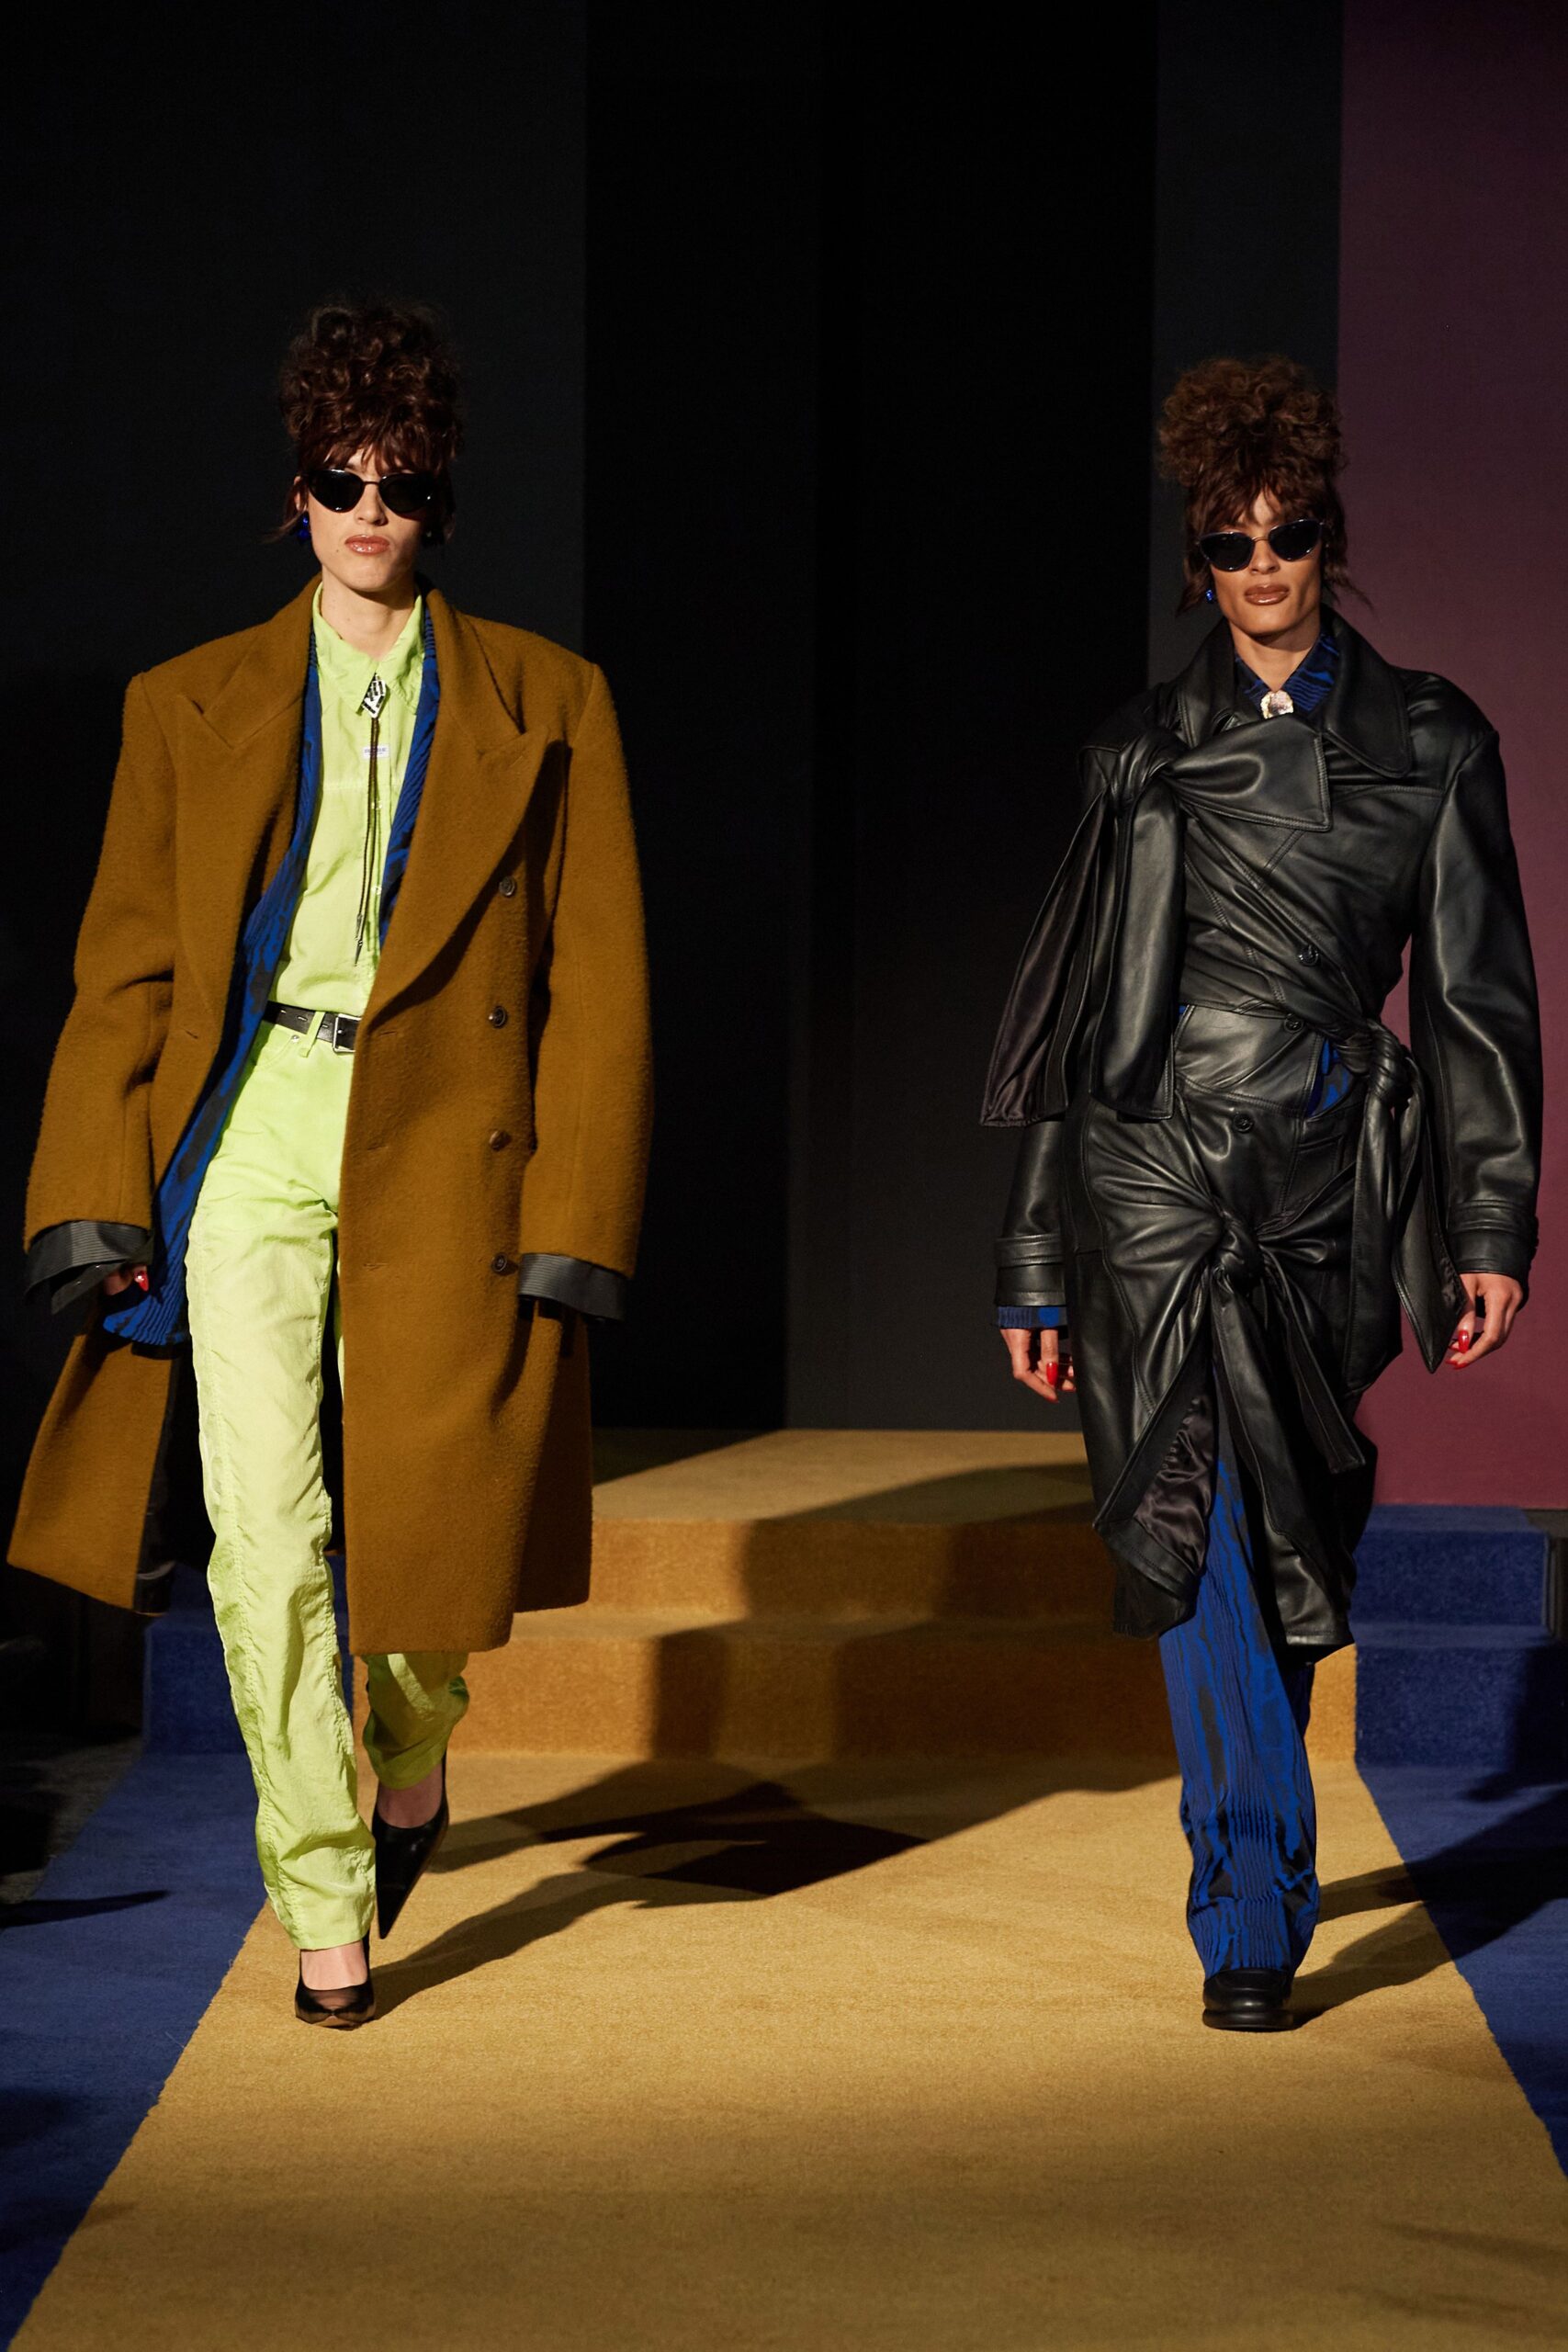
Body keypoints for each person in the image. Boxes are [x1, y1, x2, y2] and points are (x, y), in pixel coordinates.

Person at [11, 300, 652, 2026]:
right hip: (253, 1130)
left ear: (440, 495)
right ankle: (322, 1892)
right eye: (340, 478)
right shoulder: (186, 702)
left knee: (428, 1539)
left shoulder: (551, 700)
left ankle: (414, 1749)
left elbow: (598, 981)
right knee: (263, 1526)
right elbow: (127, 968)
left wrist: (581, 1210)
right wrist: (91, 1187)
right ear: (295, 489)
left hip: (448, 1136)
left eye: (402, 481)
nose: (371, 510)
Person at [984, 355, 1541, 2031]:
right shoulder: (1139, 751)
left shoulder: (1435, 740)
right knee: (1198, 1512)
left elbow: (1478, 1007)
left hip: (1325, 1184)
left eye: (1289, 535)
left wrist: (1491, 1222)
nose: (1264, 567)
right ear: (1198, 561)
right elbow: (1080, 1021)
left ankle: (1255, 1852)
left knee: (1292, 1531)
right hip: (1152, 1176)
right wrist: (1035, 1256)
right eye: (1231, 544)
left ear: (1327, 538)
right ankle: (1247, 1904)